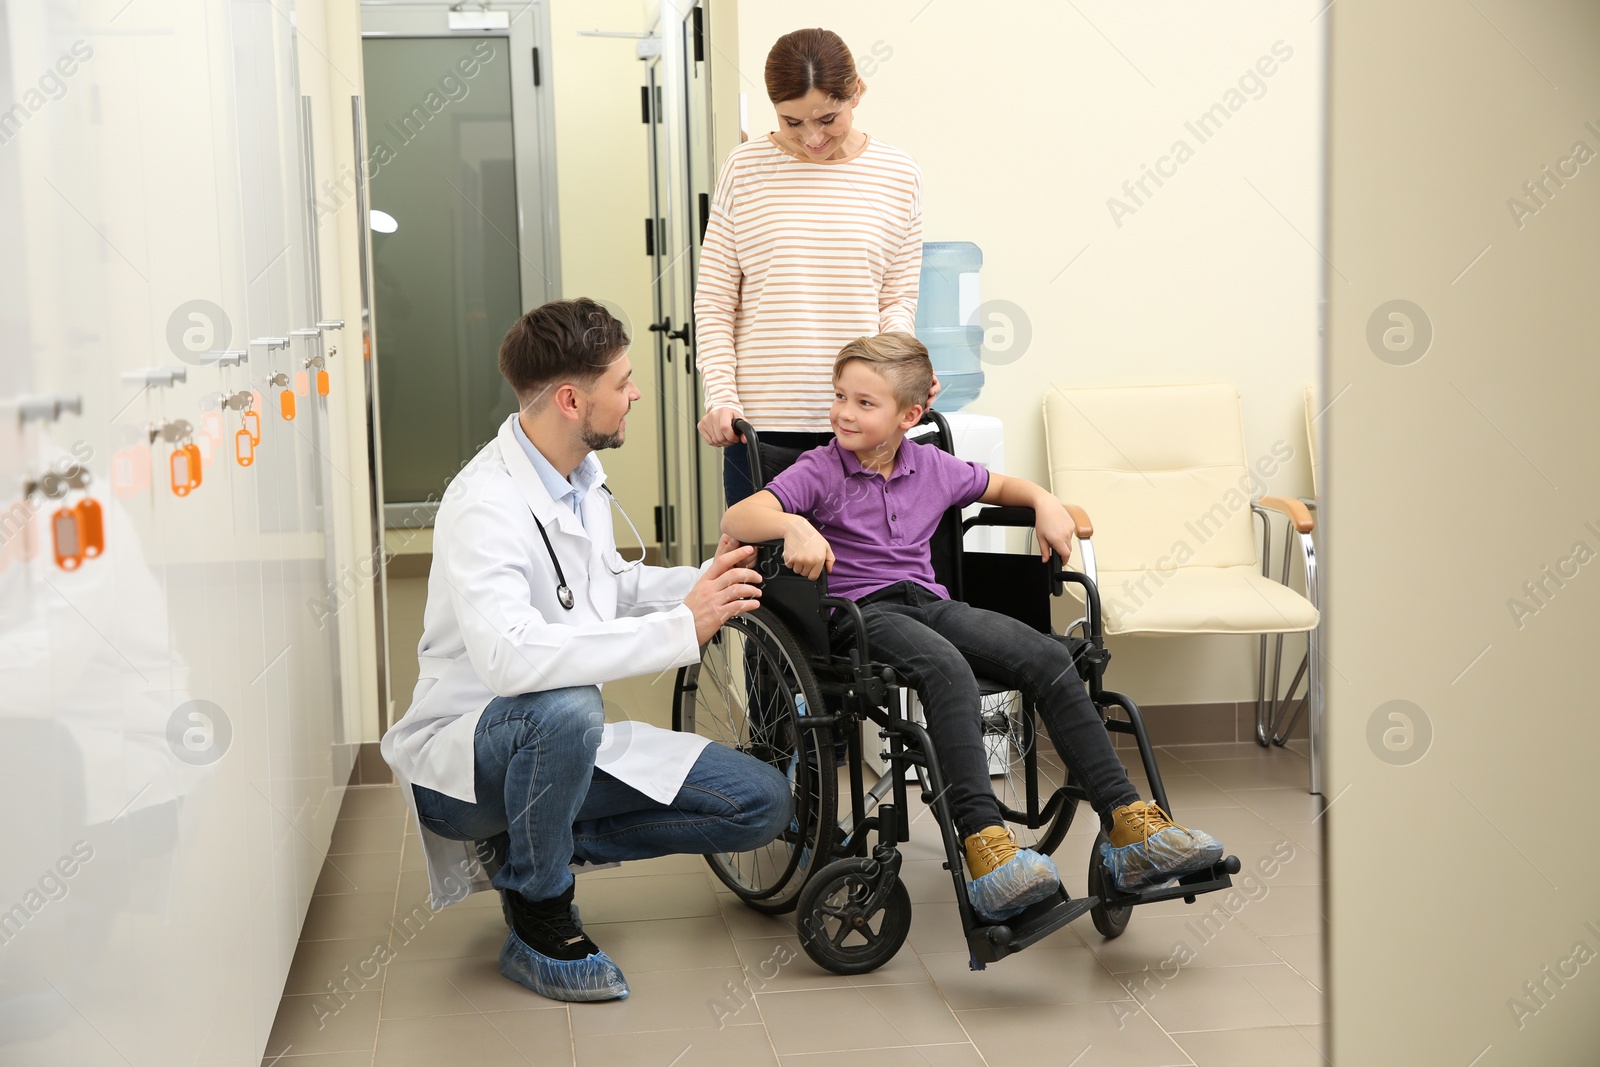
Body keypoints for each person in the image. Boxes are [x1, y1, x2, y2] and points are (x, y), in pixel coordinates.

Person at [720, 333, 1225, 923]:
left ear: (910, 416)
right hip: (860, 617)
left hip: (932, 605)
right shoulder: (821, 469)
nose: (842, 413)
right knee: (945, 668)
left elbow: (1004, 487)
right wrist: (793, 527)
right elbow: (740, 514)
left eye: (863, 402)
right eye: (840, 397)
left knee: (1048, 656)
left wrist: (1045, 502)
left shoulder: (931, 466)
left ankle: (1128, 828)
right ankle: (985, 847)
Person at [381, 298, 791, 1003]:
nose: (635, 394)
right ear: (572, 399)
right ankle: (541, 910)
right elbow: (510, 661)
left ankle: (523, 846)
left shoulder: (577, 478)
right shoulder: (485, 504)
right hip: (468, 758)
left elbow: (608, 584)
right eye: (623, 382)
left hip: (560, 747)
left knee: (760, 803)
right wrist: (677, 630)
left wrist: (706, 582)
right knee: (566, 708)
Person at [695, 27, 932, 505]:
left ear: (857, 92)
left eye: (827, 118)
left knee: (863, 577)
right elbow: (716, 300)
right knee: (762, 575)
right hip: (761, 429)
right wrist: (720, 396)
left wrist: (907, 370)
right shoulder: (743, 168)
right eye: (792, 122)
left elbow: (896, 301)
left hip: (864, 426)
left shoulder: (899, 174)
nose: (813, 138)